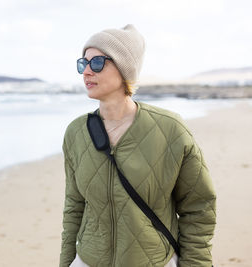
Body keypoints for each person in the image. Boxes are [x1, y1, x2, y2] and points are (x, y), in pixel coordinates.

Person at [59, 24, 216, 267]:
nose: (87, 72)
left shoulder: (170, 129)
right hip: (89, 260)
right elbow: (74, 207)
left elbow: (199, 207)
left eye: (97, 62)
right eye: (83, 63)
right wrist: (67, 262)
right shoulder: (76, 133)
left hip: (154, 261)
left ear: (124, 69)